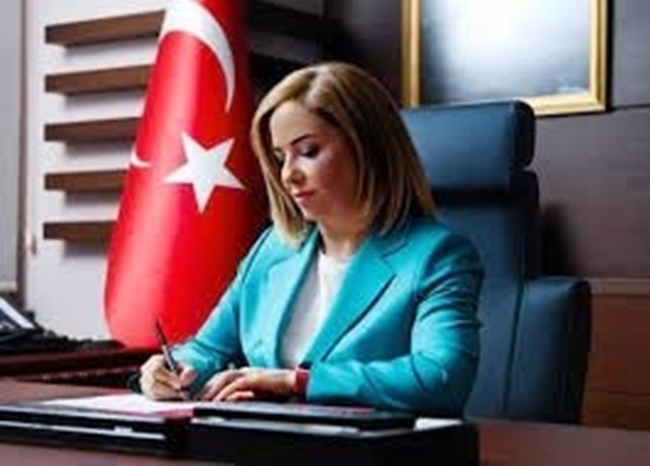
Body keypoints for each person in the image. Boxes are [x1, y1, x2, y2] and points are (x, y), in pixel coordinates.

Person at [138, 61, 484, 416]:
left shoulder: (437, 255)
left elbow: (442, 377)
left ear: (368, 146)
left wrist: (297, 382)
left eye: (308, 152)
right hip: (265, 438)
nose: (288, 175)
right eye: (279, 158)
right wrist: (172, 370)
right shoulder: (273, 248)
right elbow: (208, 350)